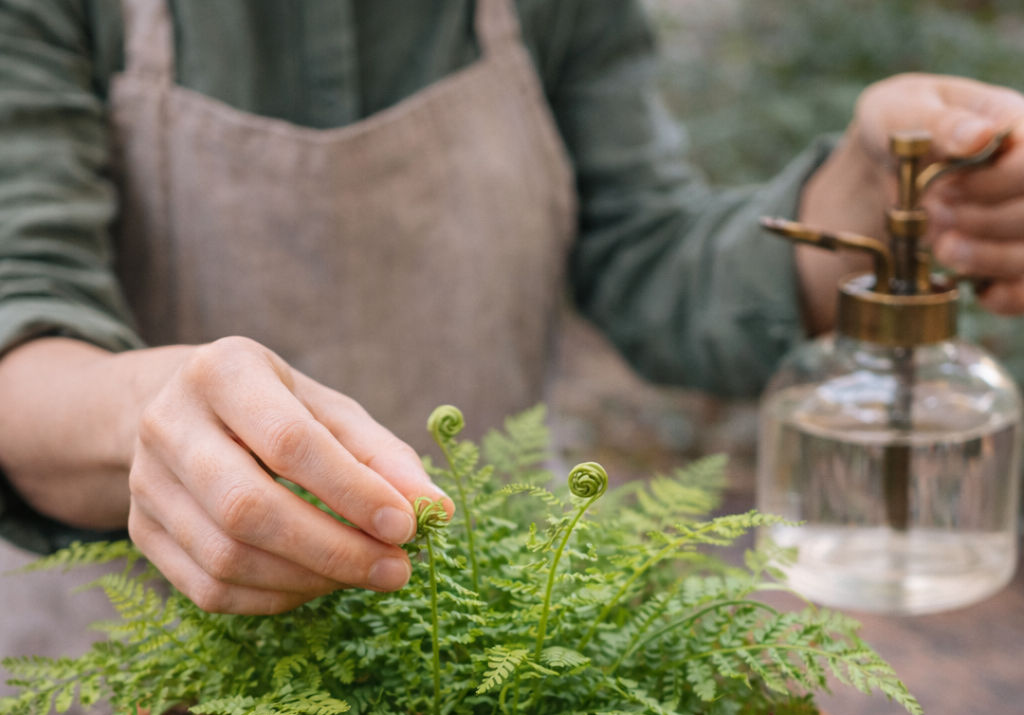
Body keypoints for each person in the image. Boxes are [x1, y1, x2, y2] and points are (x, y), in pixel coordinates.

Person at [1, 0, 1023, 620]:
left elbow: (643, 251)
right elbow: (22, 312)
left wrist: (870, 197)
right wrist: (148, 413)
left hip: (484, 601)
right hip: (124, 654)